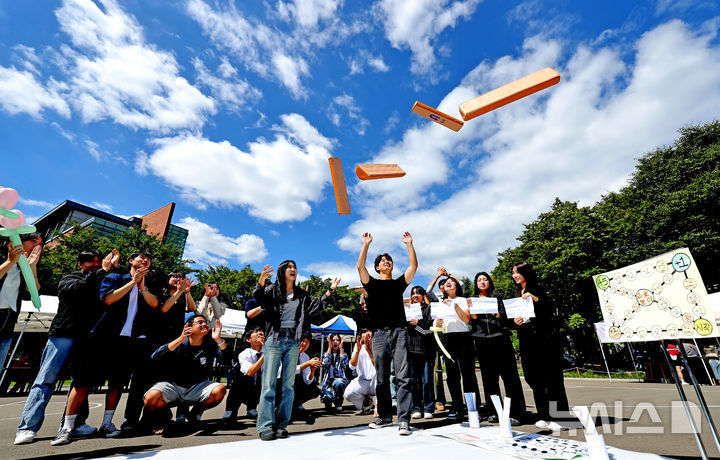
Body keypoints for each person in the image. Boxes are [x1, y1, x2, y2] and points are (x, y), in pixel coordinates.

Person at [15, 250, 116, 446]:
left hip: (87, 338)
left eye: (98, 260)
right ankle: (28, 427)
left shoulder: (101, 280)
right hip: (63, 334)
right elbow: (79, 289)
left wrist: (112, 268)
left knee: (81, 383)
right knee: (46, 380)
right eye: (90, 261)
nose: (95, 263)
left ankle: (76, 423)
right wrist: (102, 269)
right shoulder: (70, 279)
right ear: (80, 263)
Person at [253, 260, 340, 441]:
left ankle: (282, 424)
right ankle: (266, 425)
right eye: (289, 267)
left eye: (295, 267)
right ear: (282, 272)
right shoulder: (272, 290)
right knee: (269, 384)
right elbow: (259, 299)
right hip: (275, 338)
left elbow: (316, 307)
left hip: (293, 340)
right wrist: (261, 281)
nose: (293, 270)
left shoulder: (301, 294)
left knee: (288, 385)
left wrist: (330, 291)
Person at [357, 231, 417, 436]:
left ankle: (403, 420)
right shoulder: (372, 284)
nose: (386, 262)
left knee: (403, 376)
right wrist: (365, 245)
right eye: (382, 261)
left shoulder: (398, 284)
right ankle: (383, 417)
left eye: (388, 260)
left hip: (399, 332)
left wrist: (409, 245)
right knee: (381, 378)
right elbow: (360, 267)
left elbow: (413, 267)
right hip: (380, 334)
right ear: (377, 267)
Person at [96, 250, 160, 436]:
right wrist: (133, 281)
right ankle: (105, 422)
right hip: (115, 338)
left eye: (148, 259)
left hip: (139, 340)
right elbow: (109, 299)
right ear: (131, 260)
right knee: (114, 382)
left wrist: (142, 286)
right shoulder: (116, 277)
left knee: (139, 384)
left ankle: (130, 421)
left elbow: (155, 304)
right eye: (141, 257)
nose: (146, 260)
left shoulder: (150, 283)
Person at [143, 314, 229, 433]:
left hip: (196, 387)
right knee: (151, 398)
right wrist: (180, 339)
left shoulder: (210, 344)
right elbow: (155, 357)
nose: (204, 324)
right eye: (200, 322)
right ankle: (164, 417)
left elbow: (228, 359)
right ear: (189, 327)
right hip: (173, 386)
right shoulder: (178, 342)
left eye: (205, 322)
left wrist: (219, 340)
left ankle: (195, 412)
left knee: (219, 390)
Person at [511, 262, 570, 431]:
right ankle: (544, 415)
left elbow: (550, 309)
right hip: (527, 340)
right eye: (513, 273)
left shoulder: (537, 288)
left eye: (517, 272)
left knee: (552, 379)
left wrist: (535, 299)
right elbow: (515, 318)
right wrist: (516, 321)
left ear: (525, 273)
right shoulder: (516, 293)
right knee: (533, 377)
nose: (514, 276)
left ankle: (561, 418)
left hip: (545, 340)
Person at [468, 271, 526, 425]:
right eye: (479, 280)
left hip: (501, 338)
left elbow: (506, 315)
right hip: (482, 341)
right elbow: (473, 321)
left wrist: (496, 313)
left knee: (510, 377)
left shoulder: (498, 296)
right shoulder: (473, 299)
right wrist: (470, 308)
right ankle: (494, 412)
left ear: (489, 282)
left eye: (485, 279)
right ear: (476, 283)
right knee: (489, 379)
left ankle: (517, 412)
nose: (482, 282)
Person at [434, 275, 479, 421]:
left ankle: (472, 408)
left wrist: (454, 305)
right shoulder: (440, 304)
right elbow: (437, 325)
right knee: (452, 377)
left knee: (468, 375)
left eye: (451, 282)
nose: (448, 283)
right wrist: (438, 323)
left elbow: (467, 319)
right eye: (446, 283)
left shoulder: (463, 300)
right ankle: (457, 408)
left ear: (457, 287)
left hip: (464, 338)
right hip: (448, 339)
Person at [0, 233, 42, 371]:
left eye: (40, 244)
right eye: (33, 241)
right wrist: (10, 261)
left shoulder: (23, 268)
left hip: (8, 321)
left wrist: (32, 267)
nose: (36, 247)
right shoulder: (3, 258)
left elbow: (34, 292)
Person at [224, 327, 265, 422]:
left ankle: (252, 409)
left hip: (263, 389)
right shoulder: (244, 354)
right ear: (248, 340)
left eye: (261, 331)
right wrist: (265, 355)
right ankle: (230, 411)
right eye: (256, 332)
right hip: (246, 390)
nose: (260, 333)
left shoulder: (271, 351)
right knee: (239, 381)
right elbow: (250, 372)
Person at [407, 286, 435, 419]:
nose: (415, 296)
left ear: (423, 295)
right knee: (414, 381)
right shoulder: (408, 310)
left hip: (427, 350)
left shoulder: (429, 309)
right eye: (413, 294)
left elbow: (431, 329)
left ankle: (429, 407)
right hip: (411, 350)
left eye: (418, 293)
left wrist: (419, 323)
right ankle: (415, 408)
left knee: (427, 380)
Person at [156, 272, 196, 345]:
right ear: (168, 278)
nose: (178, 279)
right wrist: (179, 291)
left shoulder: (182, 295)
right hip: (159, 333)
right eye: (175, 276)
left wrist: (187, 292)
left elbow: (191, 308)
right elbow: (163, 309)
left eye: (181, 277)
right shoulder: (161, 292)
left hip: (177, 334)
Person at [344, 328, 376, 414]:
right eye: (365, 337)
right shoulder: (358, 347)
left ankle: (378, 405)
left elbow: (378, 366)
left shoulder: (378, 345)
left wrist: (369, 349)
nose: (367, 339)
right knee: (348, 394)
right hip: (363, 381)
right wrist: (358, 351)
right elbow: (352, 366)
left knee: (381, 381)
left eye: (369, 336)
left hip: (376, 381)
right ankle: (366, 402)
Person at [291, 332, 321, 424]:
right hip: (282, 383)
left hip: (298, 385)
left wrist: (312, 370)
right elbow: (288, 371)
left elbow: (307, 381)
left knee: (314, 390)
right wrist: (307, 364)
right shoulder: (287, 353)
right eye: (302, 341)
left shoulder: (305, 356)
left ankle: (295, 404)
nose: (304, 344)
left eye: (307, 342)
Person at [321, 333, 349, 412]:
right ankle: (328, 401)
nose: (335, 342)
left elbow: (344, 364)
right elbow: (325, 363)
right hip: (328, 382)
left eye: (337, 340)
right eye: (333, 340)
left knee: (339, 382)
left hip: (337, 380)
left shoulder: (344, 354)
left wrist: (341, 349)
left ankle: (338, 402)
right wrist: (329, 348)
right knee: (327, 399)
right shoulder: (326, 354)